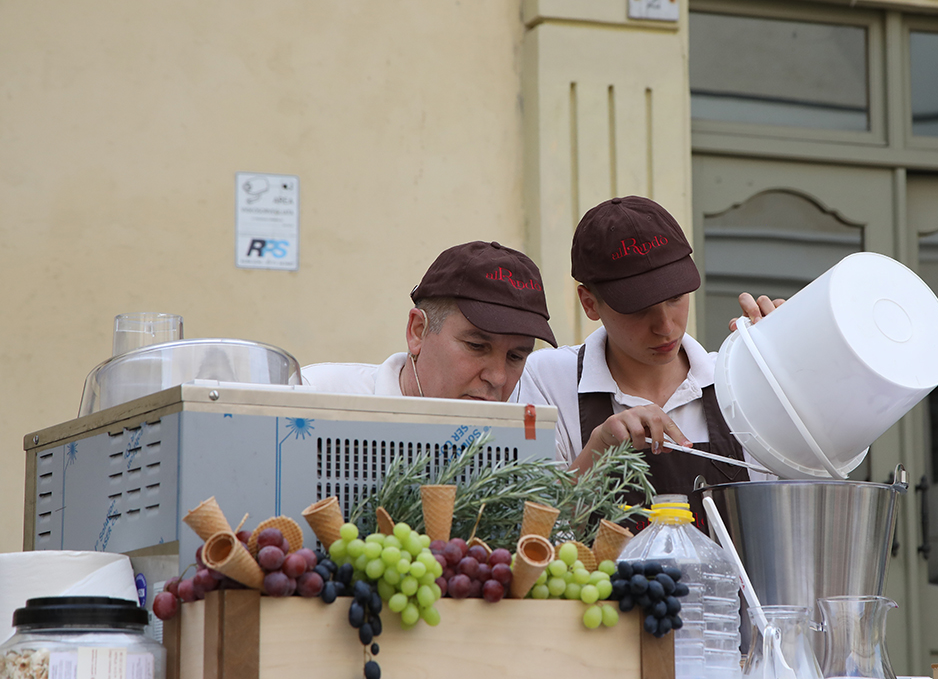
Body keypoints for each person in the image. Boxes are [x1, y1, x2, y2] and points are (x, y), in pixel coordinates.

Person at [514, 196, 780, 496]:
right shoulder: (546, 380)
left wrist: (802, 373)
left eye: (675, 298)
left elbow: (807, 497)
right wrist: (599, 450)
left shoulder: (738, 380)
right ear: (590, 304)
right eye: (639, 308)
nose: (665, 327)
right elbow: (530, 531)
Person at [301, 241, 557, 401]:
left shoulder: (530, 432)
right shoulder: (314, 398)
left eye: (515, 357)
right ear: (417, 331)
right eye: (477, 346)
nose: (498, 377)